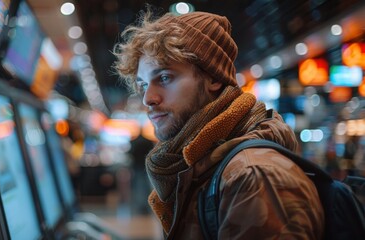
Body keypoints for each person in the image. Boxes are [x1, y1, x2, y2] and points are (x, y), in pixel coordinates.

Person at [113, 10, 324, 239]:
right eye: (143, 85)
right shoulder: (199, 164)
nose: (148, 98)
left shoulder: (254, 177)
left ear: (213, 78)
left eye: (164, 78)